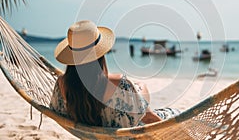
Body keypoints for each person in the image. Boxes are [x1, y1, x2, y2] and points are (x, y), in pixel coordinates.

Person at [50, 20, 179, 128]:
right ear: (100, 54)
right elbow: (149, 119)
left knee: (139, 88)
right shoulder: (119, 84)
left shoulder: (61, 84)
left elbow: (57, 112)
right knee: (174, 113)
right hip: (129, 133)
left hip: (90, 133)